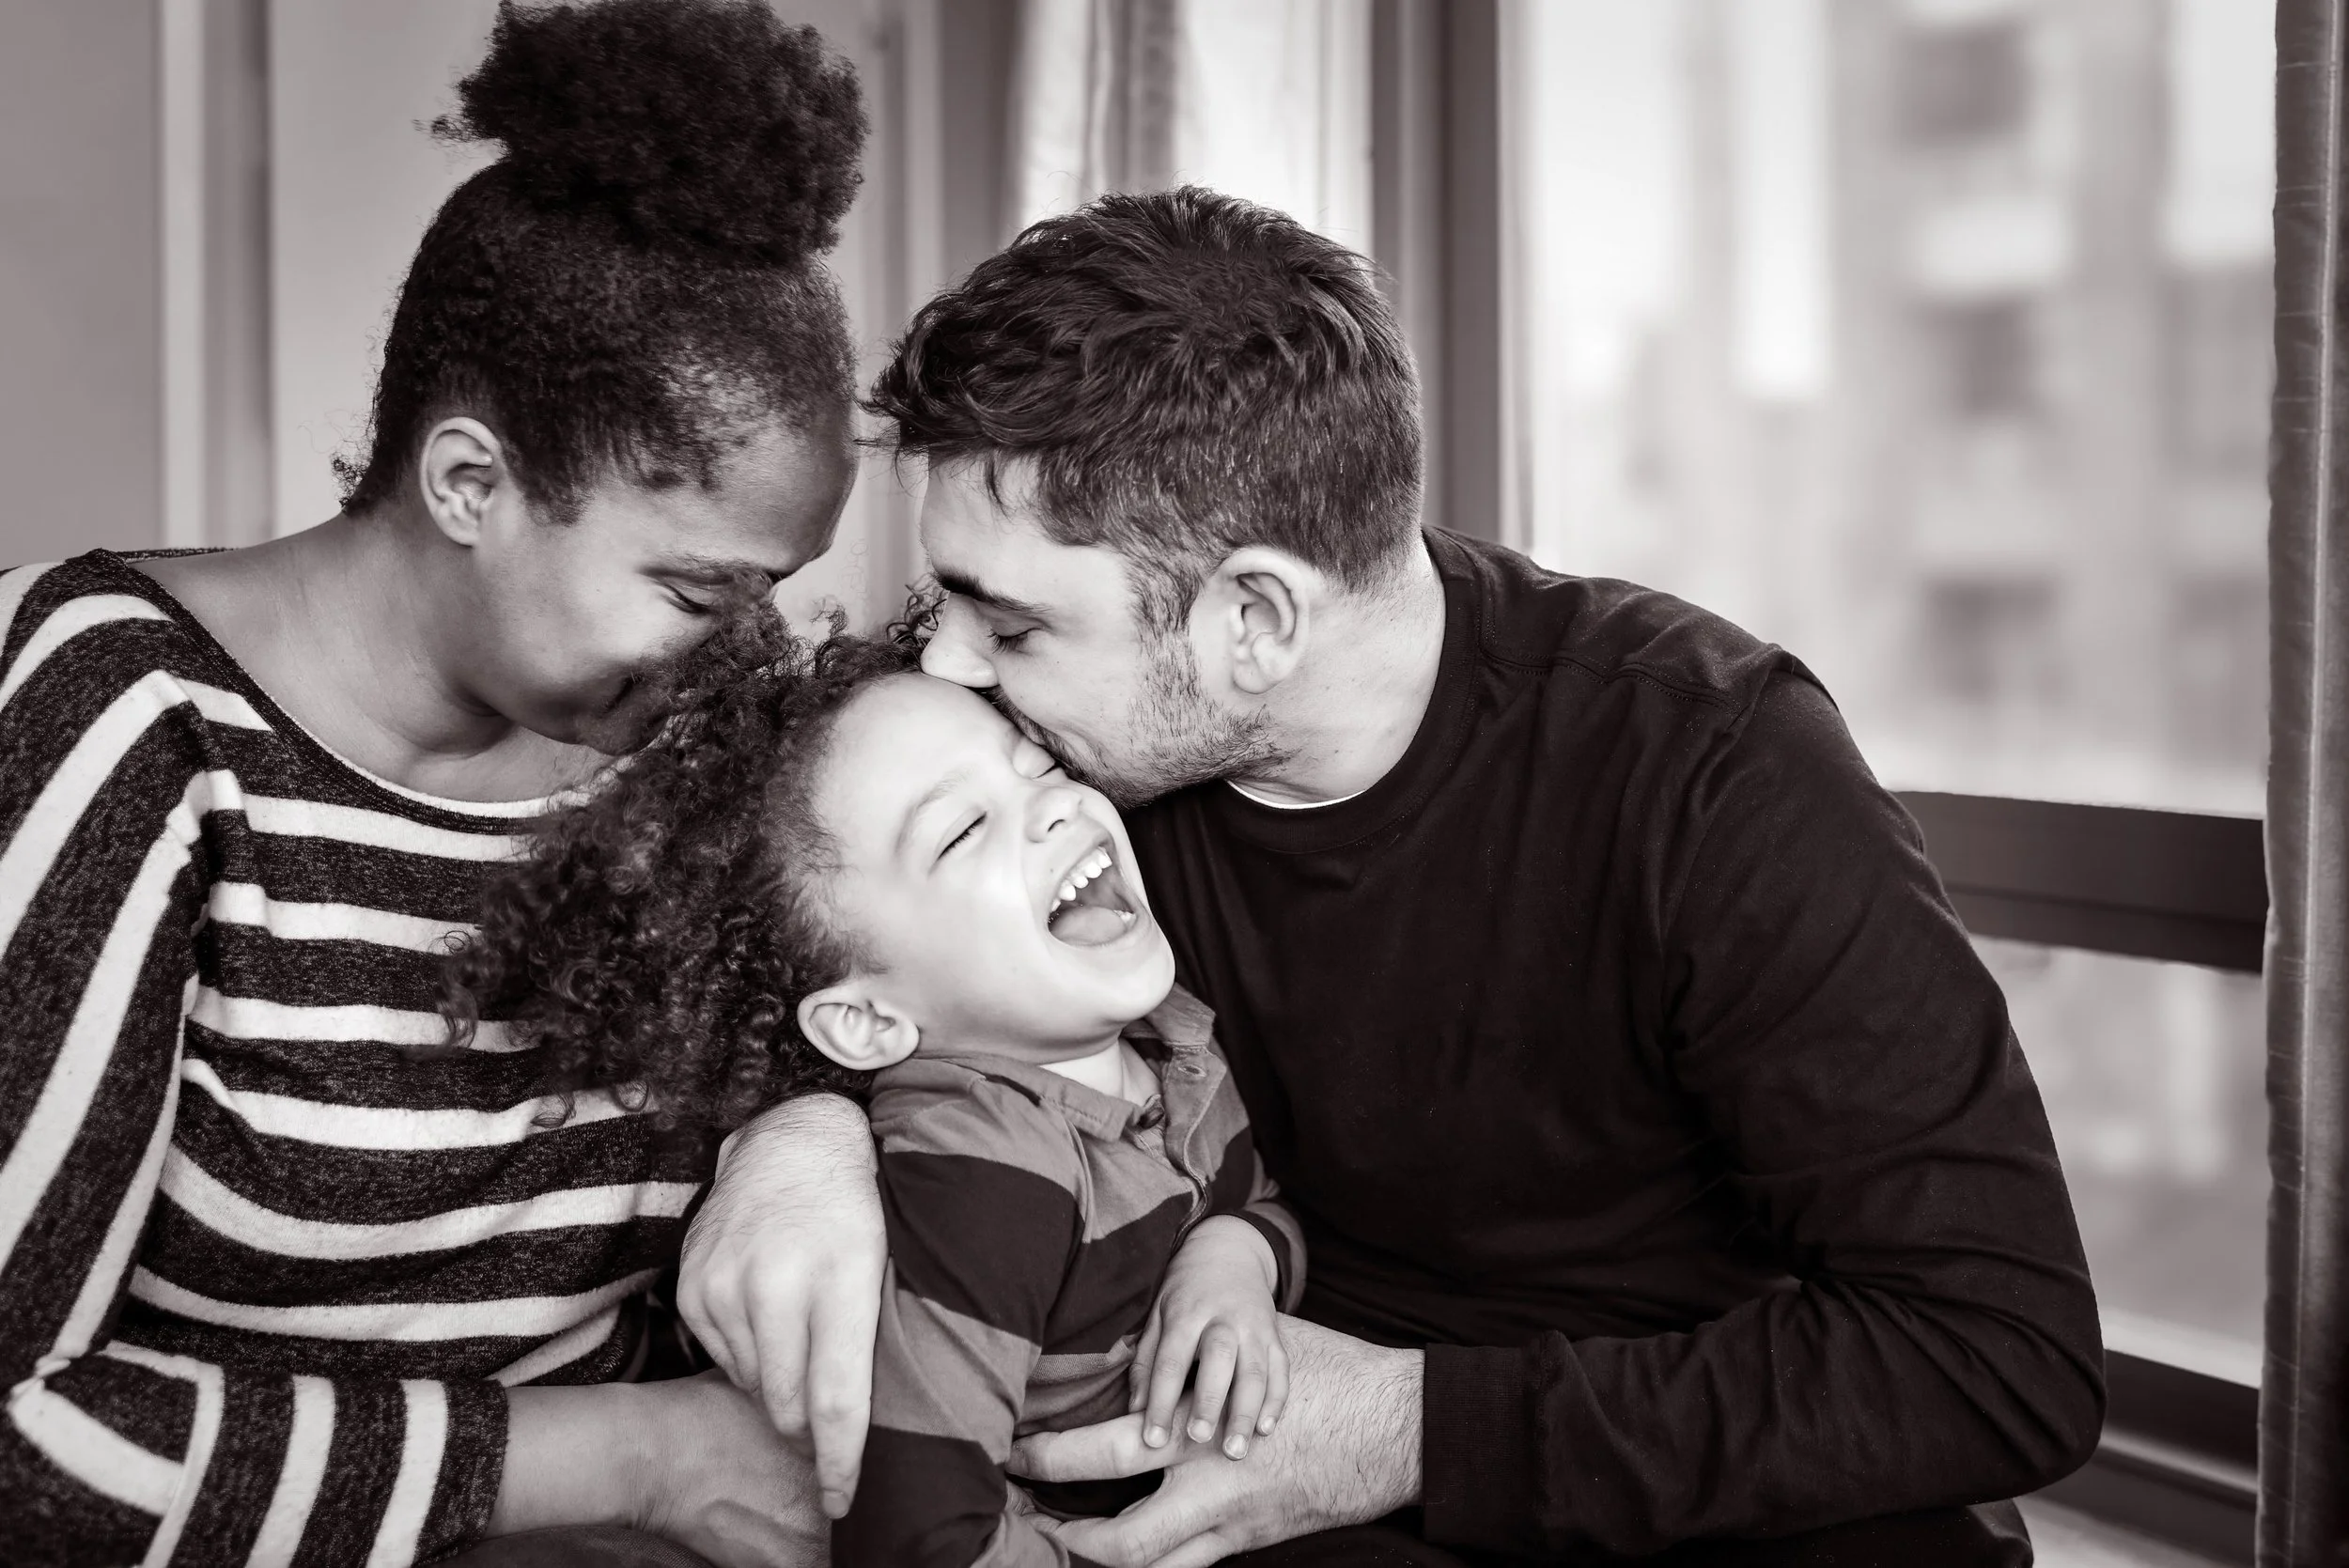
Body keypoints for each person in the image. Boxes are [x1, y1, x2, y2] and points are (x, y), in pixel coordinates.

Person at [689, 185, 2107, 1564]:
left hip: (1689, 1474)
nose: (946, 664)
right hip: (1254, 1445)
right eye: (950, 606)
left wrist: (1409, 1428)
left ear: (1252, 618)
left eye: (1010, 622)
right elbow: (838, 902)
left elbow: (1996, 1357)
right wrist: (799, 1133)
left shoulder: (1711, 764)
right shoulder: (1051, 766)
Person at [0, 5, 886, 1564]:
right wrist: (628, 1455)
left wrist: (812, 1132)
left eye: (767, 589)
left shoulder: (694, 722)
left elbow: (892, 1005)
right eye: (692, 588)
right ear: (470, 481)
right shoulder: (119, 708)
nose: (743, 643)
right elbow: (19, 1439)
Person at [443, 610, 1313, 1567]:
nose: (1054, 806)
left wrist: (1236, 1254)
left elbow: (1256, 1200)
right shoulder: (989, 1175)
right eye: (961, 831)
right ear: (867, 1021)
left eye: (1039, 768)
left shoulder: (1169, 1037)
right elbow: (920, 1539)